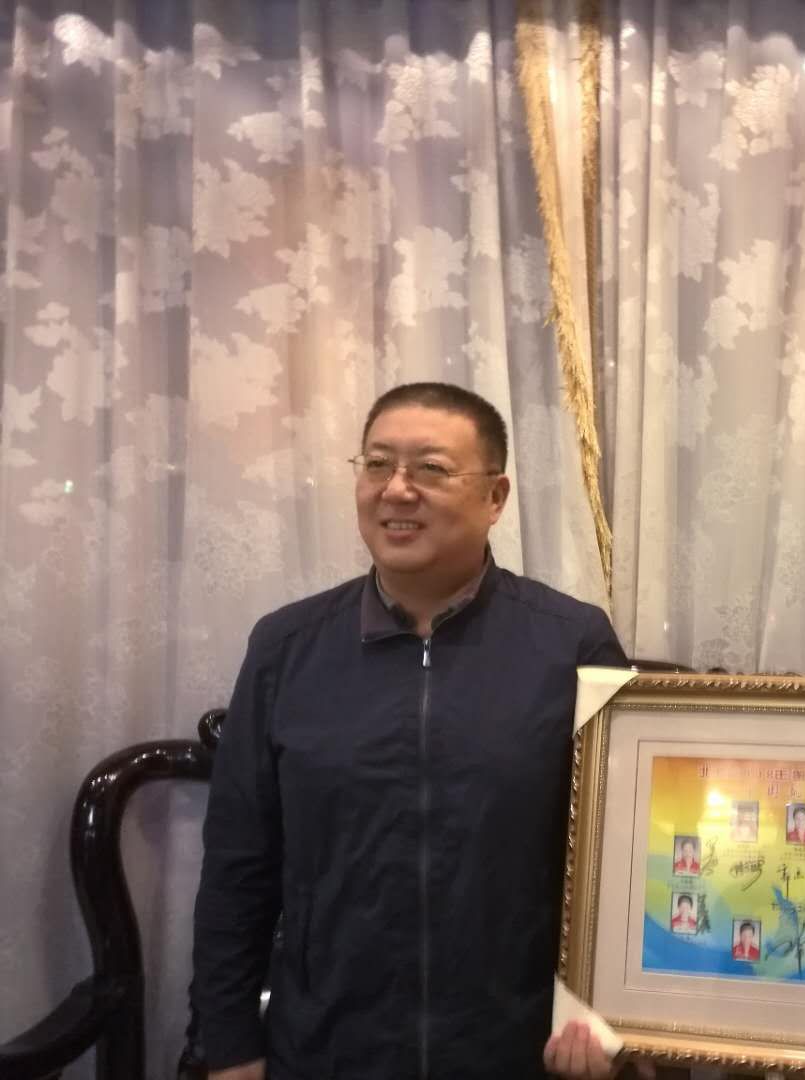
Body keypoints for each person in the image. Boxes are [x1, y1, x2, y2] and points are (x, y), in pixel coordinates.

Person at [191, 383, 629, 1080]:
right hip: (327, 1048)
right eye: (376, 464)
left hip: (517, 1050)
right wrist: (230, 1044)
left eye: (430, 468)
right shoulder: (287, 646)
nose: (396, 489)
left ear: (495, 497)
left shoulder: (571, 642)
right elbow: (237, 863)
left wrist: (614, 1019)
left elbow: (625, 857)